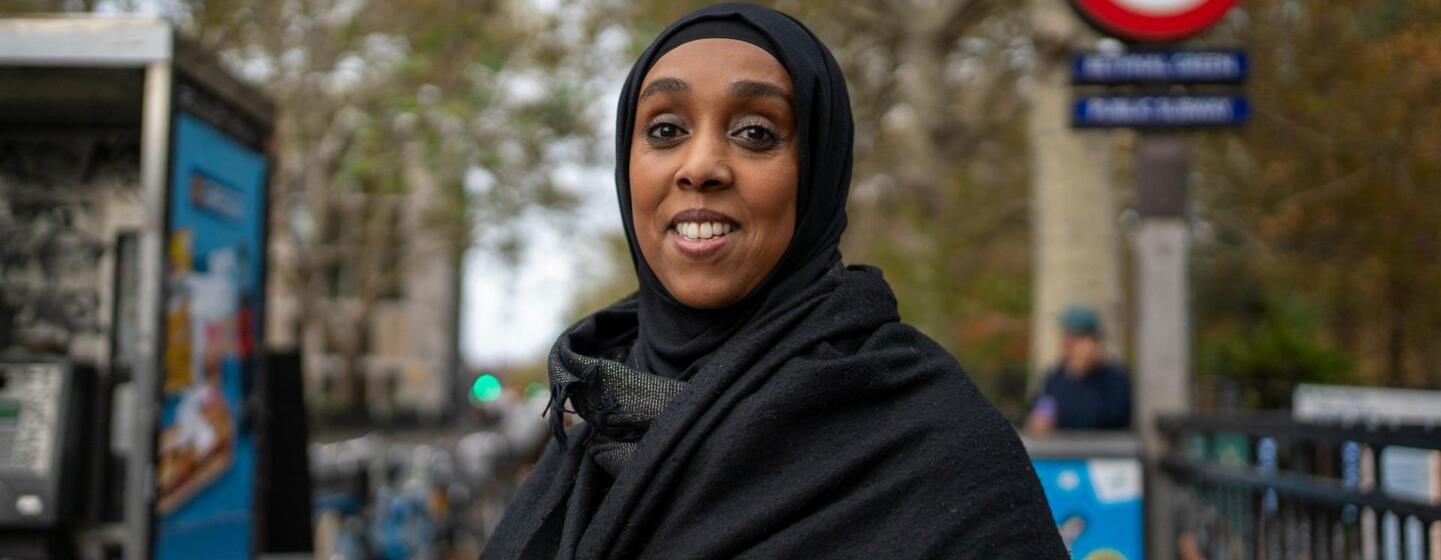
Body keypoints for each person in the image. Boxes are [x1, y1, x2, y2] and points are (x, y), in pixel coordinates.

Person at [482, 5, 1066, 559]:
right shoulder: (591, 427)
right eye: (664, 130)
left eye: (756, 133)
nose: (701, 166)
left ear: (816, 174)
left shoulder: (932, 447)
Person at [1025, 305, 1132, 434]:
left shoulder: (1115, 378)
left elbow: (1109, 419)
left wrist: (1083, 374)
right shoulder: (1055, 377)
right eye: (1066, 337)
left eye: (1076, 339)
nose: (1069, 345)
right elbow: (1040, 411)